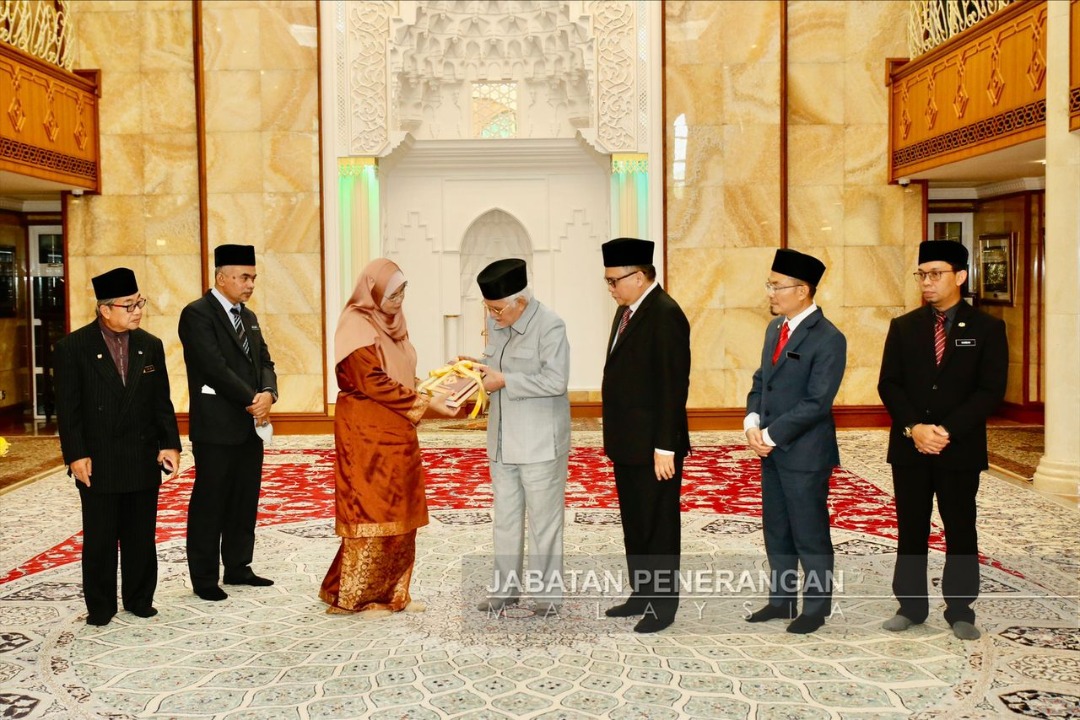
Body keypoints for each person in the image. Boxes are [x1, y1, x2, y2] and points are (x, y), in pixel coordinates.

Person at [878, 240, 1007, 640]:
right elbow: (889, 384)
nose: (927, 282)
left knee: (961, 526)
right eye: (922, 274)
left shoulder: (987, 328)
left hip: (959, 448)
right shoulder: (905, 326)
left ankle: (961, 608)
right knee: (911, 527)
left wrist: (946, 431)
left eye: (936, 274)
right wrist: (914, 428)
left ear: (960, 276)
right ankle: (910, 606)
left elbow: (990, 390)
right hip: (910, 447)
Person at [319, 258, 456, 614]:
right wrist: (425, 403)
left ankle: (392, 594)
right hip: (366, 434)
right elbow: (371, 381)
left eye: (402, 292)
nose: (398, 300)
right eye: (392, 294)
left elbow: (400, 376)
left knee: (400, 511)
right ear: (373, 292)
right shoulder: (356, 325)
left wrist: (437, 385)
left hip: (398, 432)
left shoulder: (394, 325)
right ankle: (354, 597)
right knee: (371, 512)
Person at [54, 268, 181, 626]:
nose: (137, 311)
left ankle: (140, 598)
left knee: (141, 534)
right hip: (98, 458)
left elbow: (161, 402)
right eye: (129, 305)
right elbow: (68, 409)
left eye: (139, 302)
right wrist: (76, 454)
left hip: (141, 454)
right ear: (105, 309)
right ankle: (101, 605)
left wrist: (169, 444)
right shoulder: (73, 348)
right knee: (100, 537)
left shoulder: (149, 344)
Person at [744, 249, 847, 634]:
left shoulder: (829, 338)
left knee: (809, 533)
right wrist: (752, 420)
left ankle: (816, 609)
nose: (770, 292)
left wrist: (771, 435)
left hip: (805, 454)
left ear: (802, 290)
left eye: (777, 286)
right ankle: (781, 600)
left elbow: (817, 402)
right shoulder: (775, 328)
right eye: (769, 284)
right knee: (777, 529)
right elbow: (762, 381)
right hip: (771, 450)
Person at [600, 237, 691, 634]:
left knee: (659, 525)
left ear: (639, 276)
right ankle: (642, 593)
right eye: (607, 281)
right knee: (636, 522)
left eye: (614, 280)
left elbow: (673, 386)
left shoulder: (665, 314)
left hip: (656, 447)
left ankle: (663, 605)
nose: (610, 288)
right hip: (628, 443)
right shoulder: (628, 311)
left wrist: (665, 446)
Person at [179, 244, 278, 601]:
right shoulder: (197, 314)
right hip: (217, 427)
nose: (250, 284)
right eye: (244, 277)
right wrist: (253, 399)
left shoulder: (247, 317)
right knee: (211, 502)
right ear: (222, 277)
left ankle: (238, 566)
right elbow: (213, 367)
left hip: (250, 426)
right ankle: (205, 578)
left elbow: (264, 360)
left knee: (243, 498)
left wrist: (268, 393)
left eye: (253, 278)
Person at [473, 259, 571, 616]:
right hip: (502, 441)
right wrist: (473, 370)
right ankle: (505, 590)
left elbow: (556, 381)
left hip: (540, 443)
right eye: (488, 309)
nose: (492, 317)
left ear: (521, 302)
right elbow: (494, 367)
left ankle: (548, 596)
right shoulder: (497, 323)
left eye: (497, 310)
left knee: (544, 523)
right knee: (506, 519)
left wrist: (505, 381)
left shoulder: (550, 326)